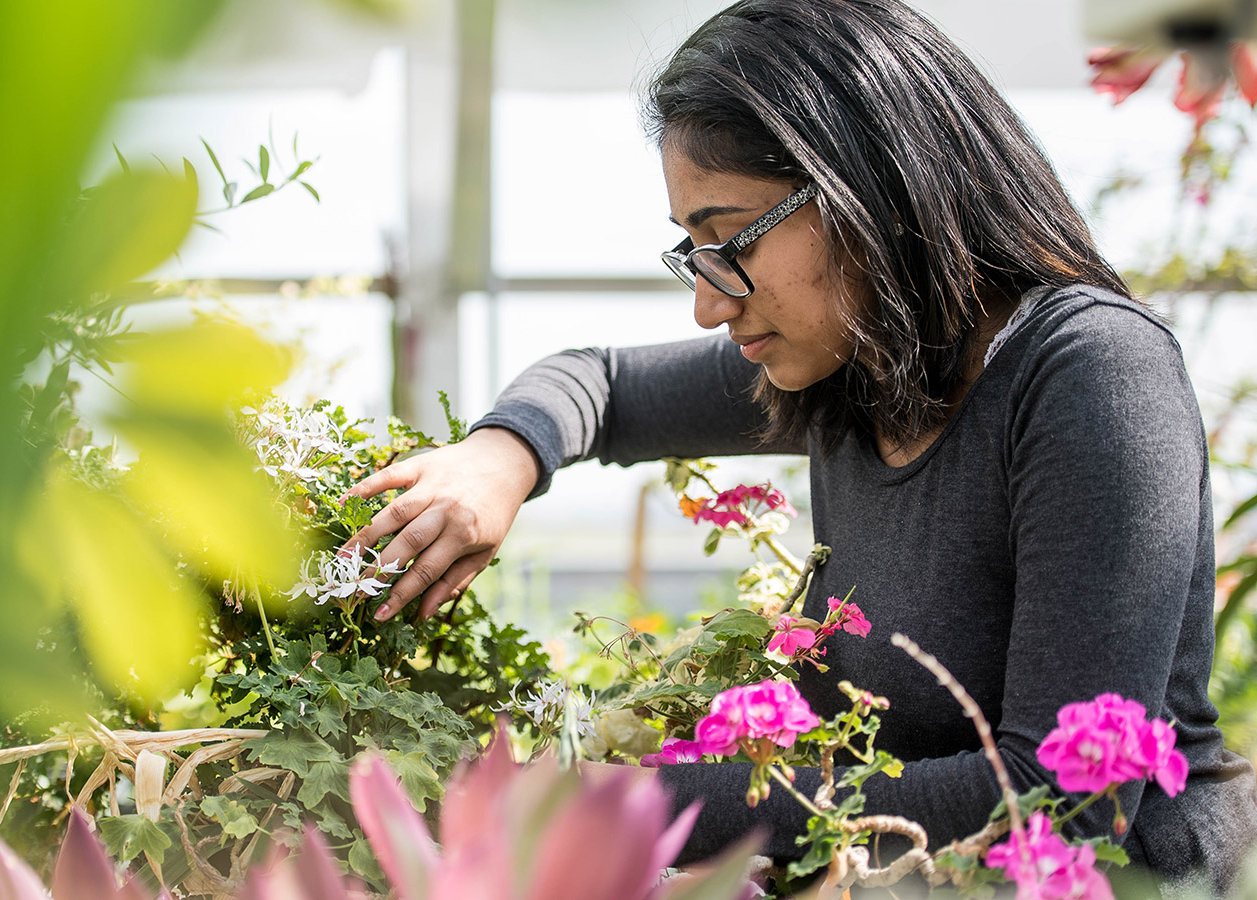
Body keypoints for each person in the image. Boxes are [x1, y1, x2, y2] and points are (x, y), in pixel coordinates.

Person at [343, 0, 1257, 890]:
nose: (709, 300)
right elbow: (601, 383)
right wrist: (501, 454)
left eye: (726, 239)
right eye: (690, 252)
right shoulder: (851, 366)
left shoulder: (1090, 373)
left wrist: (620, 800)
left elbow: (1063, 804)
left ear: (871, 185)